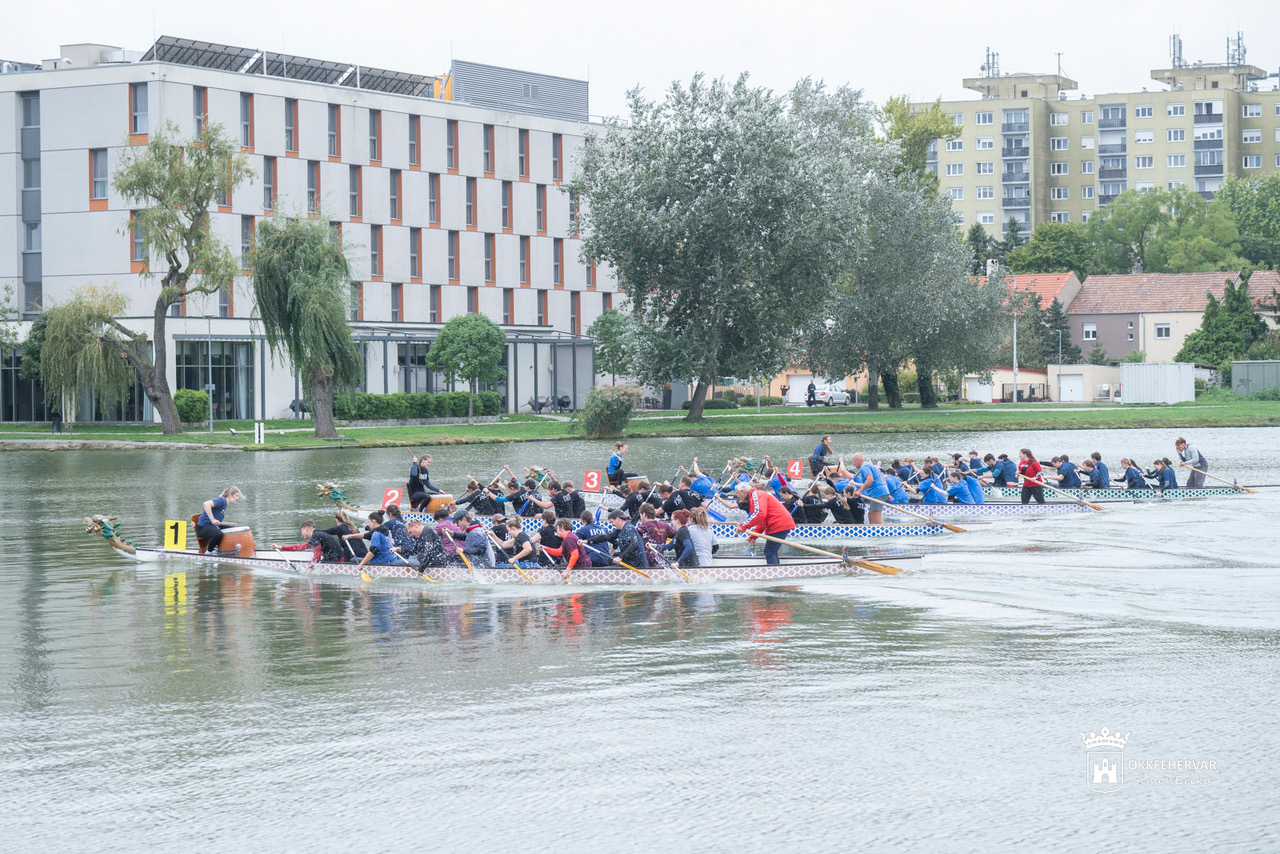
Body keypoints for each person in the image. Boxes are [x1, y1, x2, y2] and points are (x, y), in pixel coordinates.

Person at [736, 480, 795, 565]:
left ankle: (774, 573)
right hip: (778, 524)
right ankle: (776, 570)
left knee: (769, 551)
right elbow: (762, 520)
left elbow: (760, 514)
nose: (737, 496)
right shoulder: (754, 497)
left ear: (743, 492)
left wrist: (743, 526)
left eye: (737, 493)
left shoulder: (757, 496)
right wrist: (754, 535)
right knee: (771, 551)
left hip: (779, 524)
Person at [196, 486, 244, 555]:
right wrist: (212, 519)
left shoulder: (224, 503)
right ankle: (209, 552)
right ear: (230, 495)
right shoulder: (221, 501)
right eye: (236, 496)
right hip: (202, 528)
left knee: (235, 530)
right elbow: (206, 504)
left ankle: (228, 549)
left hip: (212, 526)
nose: (237, 498)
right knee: (218, 534)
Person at [272, 520, 343, 564]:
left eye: (301, 531)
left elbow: (317, 556)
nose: (301, 534)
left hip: (338, 562)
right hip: (337, 559)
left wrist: (308, 571)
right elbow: (300, 547)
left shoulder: (316, 535)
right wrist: (281, 547)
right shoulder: (317, 535)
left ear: (306, 529)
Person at [848, 453, 890, 525]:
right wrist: (887, 493)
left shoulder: (864, 466)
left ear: (857, 460)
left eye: (854, 463)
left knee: (876, 518)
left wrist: (860, 491)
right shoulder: (872, 466)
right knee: (870, 516)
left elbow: (870, 480)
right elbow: (882, 480)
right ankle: (873, 531)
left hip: (878, 493)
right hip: (880, 492)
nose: (854, 465)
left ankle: (883, 532)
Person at [636, 503, 675, 567]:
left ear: (644, 514)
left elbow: (634, 540)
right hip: (661, 561)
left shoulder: (643, 526)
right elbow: (677, 535)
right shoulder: (664, 525)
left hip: (647, 562)